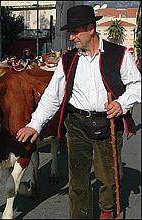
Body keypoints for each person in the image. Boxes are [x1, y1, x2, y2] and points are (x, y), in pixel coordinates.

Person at [16, 5, 141, 219]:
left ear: (91, 29)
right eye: (70, 32)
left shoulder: (118, 54)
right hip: (76, 124)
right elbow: (52, 96)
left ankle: (106, 210)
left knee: (107, 178)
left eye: (75, 31)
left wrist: (122, 103)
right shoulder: (67, 60)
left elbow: (137, 85)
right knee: (78, 181)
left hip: (108, 123)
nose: (71, 37)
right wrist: (34, 124)